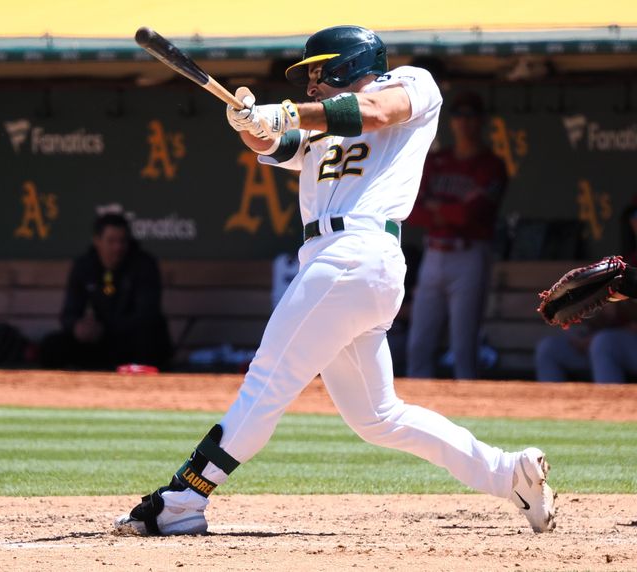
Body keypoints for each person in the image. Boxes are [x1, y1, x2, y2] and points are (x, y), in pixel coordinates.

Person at [114, 25, 556, 536]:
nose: (311, 85)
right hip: (342, 265)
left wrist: (284, 112)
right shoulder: (323, 128)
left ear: (349, 64)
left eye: (319, 73)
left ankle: (182, 499)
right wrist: (246, 119)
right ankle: (510, 474)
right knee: (378, 417)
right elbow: (274, 140)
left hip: (356, 252)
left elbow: (373, 112)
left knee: (267, 380)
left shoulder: (412, 83)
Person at [405, 90, 508, 380]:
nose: (465, 122)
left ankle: (468, 408)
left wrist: (438, 209)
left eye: (471, 116)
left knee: (464, 346)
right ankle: (415, 411)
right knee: (418, 344)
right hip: (434, 254)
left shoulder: (492, 165)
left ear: (481, 121)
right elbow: (413, 212)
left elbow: (471, 215)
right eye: (459, 116)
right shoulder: (437, 161)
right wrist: (449, 210)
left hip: (470, 255)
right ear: (451, 122)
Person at [39, 213, 172, 370]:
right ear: (97, 241)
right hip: (99, 342)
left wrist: (106, 328)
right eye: (111, 241)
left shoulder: (143, 265)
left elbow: (146, 315)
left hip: (131, 340)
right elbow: (69, 312)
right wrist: (78, 327)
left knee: (148, 341)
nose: (117, 247)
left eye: (122, 241)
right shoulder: (84, 266)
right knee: (52, 346)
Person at [535, 204, 637, 383]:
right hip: (614, 341)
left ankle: (611, 410)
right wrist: (592, 324)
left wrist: (595, 338)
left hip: (618, 343)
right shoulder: (630, 259)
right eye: (634, 214)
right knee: (549, 348)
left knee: (604, 344)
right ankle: (553, 410)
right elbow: (614, 312)